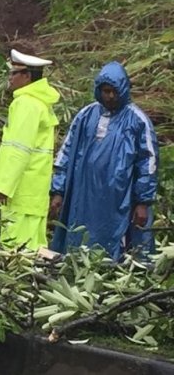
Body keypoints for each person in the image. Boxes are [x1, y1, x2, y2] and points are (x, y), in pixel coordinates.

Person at [50, 61, 158, 260]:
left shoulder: (137, 120)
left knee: (117, 245)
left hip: (118, 199)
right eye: (105, 91)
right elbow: (66, 154)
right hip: (83, 198)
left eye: (113, 92)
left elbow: (148, 164)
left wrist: (143, 201)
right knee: (80, 241)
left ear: (123, 90)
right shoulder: (85, 116)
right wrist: (58, 190)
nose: (109, 96)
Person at [0, 49, 60, 250]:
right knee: (34, 248)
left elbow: (18, 150)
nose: (9, 78)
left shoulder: (25, 104)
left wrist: (4, 187)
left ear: (27, 76)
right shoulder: (40, 103)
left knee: (15, 248)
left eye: (13, 73)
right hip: (35, 190)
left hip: (20, 191)